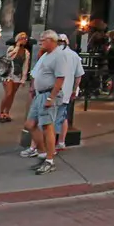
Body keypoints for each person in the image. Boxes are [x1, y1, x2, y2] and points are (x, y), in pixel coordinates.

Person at [26, 31, 74, 174]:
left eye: (43, 40)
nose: (40, 42)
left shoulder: (59, 56)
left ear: (52, 40)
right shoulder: (47, 55)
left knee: (48, 126)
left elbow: (60, 78)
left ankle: (50, 160)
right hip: (40, 94)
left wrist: (51, 97)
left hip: (48, 94)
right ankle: (43, 153)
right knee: (30, 124)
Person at [0, 33, 31, 123]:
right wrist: (17, 47)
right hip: (8, 74)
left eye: (25, 38)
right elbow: (10, 57)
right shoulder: (11, 48)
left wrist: (23, 78)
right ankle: (1, 112)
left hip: (17, 75)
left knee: (12, 94)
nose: (24, 40)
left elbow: (25, 66)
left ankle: (7, 112)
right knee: (8, 93)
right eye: (21, 38)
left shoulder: (26, 52)